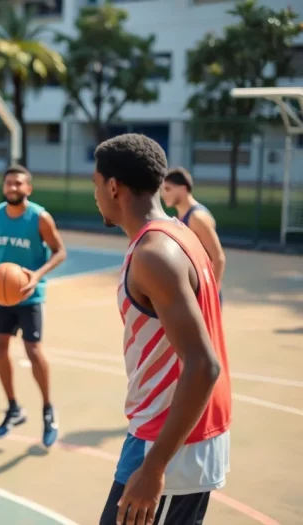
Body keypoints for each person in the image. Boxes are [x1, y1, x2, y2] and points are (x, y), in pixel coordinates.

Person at [91, 134, 231, 525]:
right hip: (171, 437)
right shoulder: (178, 235)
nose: (96, 194)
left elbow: (204, 365)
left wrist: (153, 468)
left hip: (169, 445)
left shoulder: (154, 254)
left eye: (96, 184)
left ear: (113, 186)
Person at [0, 164, 67, 448]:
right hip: (2, 297)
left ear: (28, 188)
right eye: (9, 183)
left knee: (33, 350)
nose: (13, 188)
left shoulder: (40, 217)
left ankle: (47, 409)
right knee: (0, 350)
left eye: (18, 183)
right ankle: (14, 408)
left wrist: (37, 275)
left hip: (30, 295)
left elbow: (60, 251)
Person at [161, 167, 226, 298]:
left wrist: (211, 293)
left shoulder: (197, 217)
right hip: (191, 289)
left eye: (168, 189)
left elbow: (218, 258)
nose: (163, 194)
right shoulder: (180, 216)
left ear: (183, 189)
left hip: (204, 293)